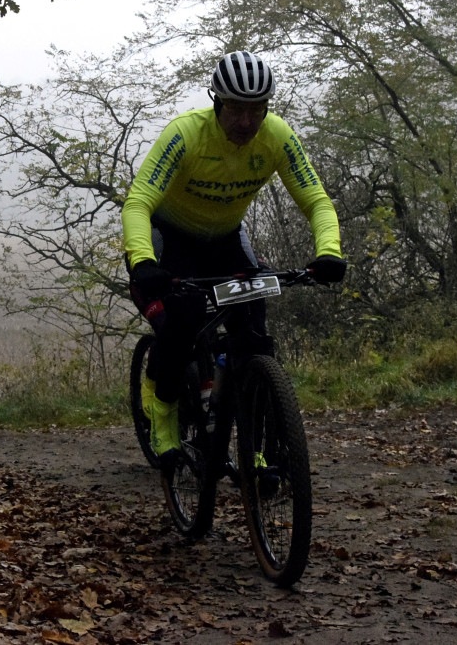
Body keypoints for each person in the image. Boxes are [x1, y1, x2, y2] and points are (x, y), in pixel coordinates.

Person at [122, 50, 347, 464]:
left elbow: (316, 200)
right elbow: (138, 203)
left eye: (256, 110)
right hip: (168, 237)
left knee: (254, 334)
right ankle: (165, 410)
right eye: (236, 110)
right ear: (217, 102)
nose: (246, 122)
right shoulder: (185, 134)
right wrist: (142, 262)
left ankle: (254, 442)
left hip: (225, 239)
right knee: (183, 319)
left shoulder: (276, 135)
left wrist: (328, 252)